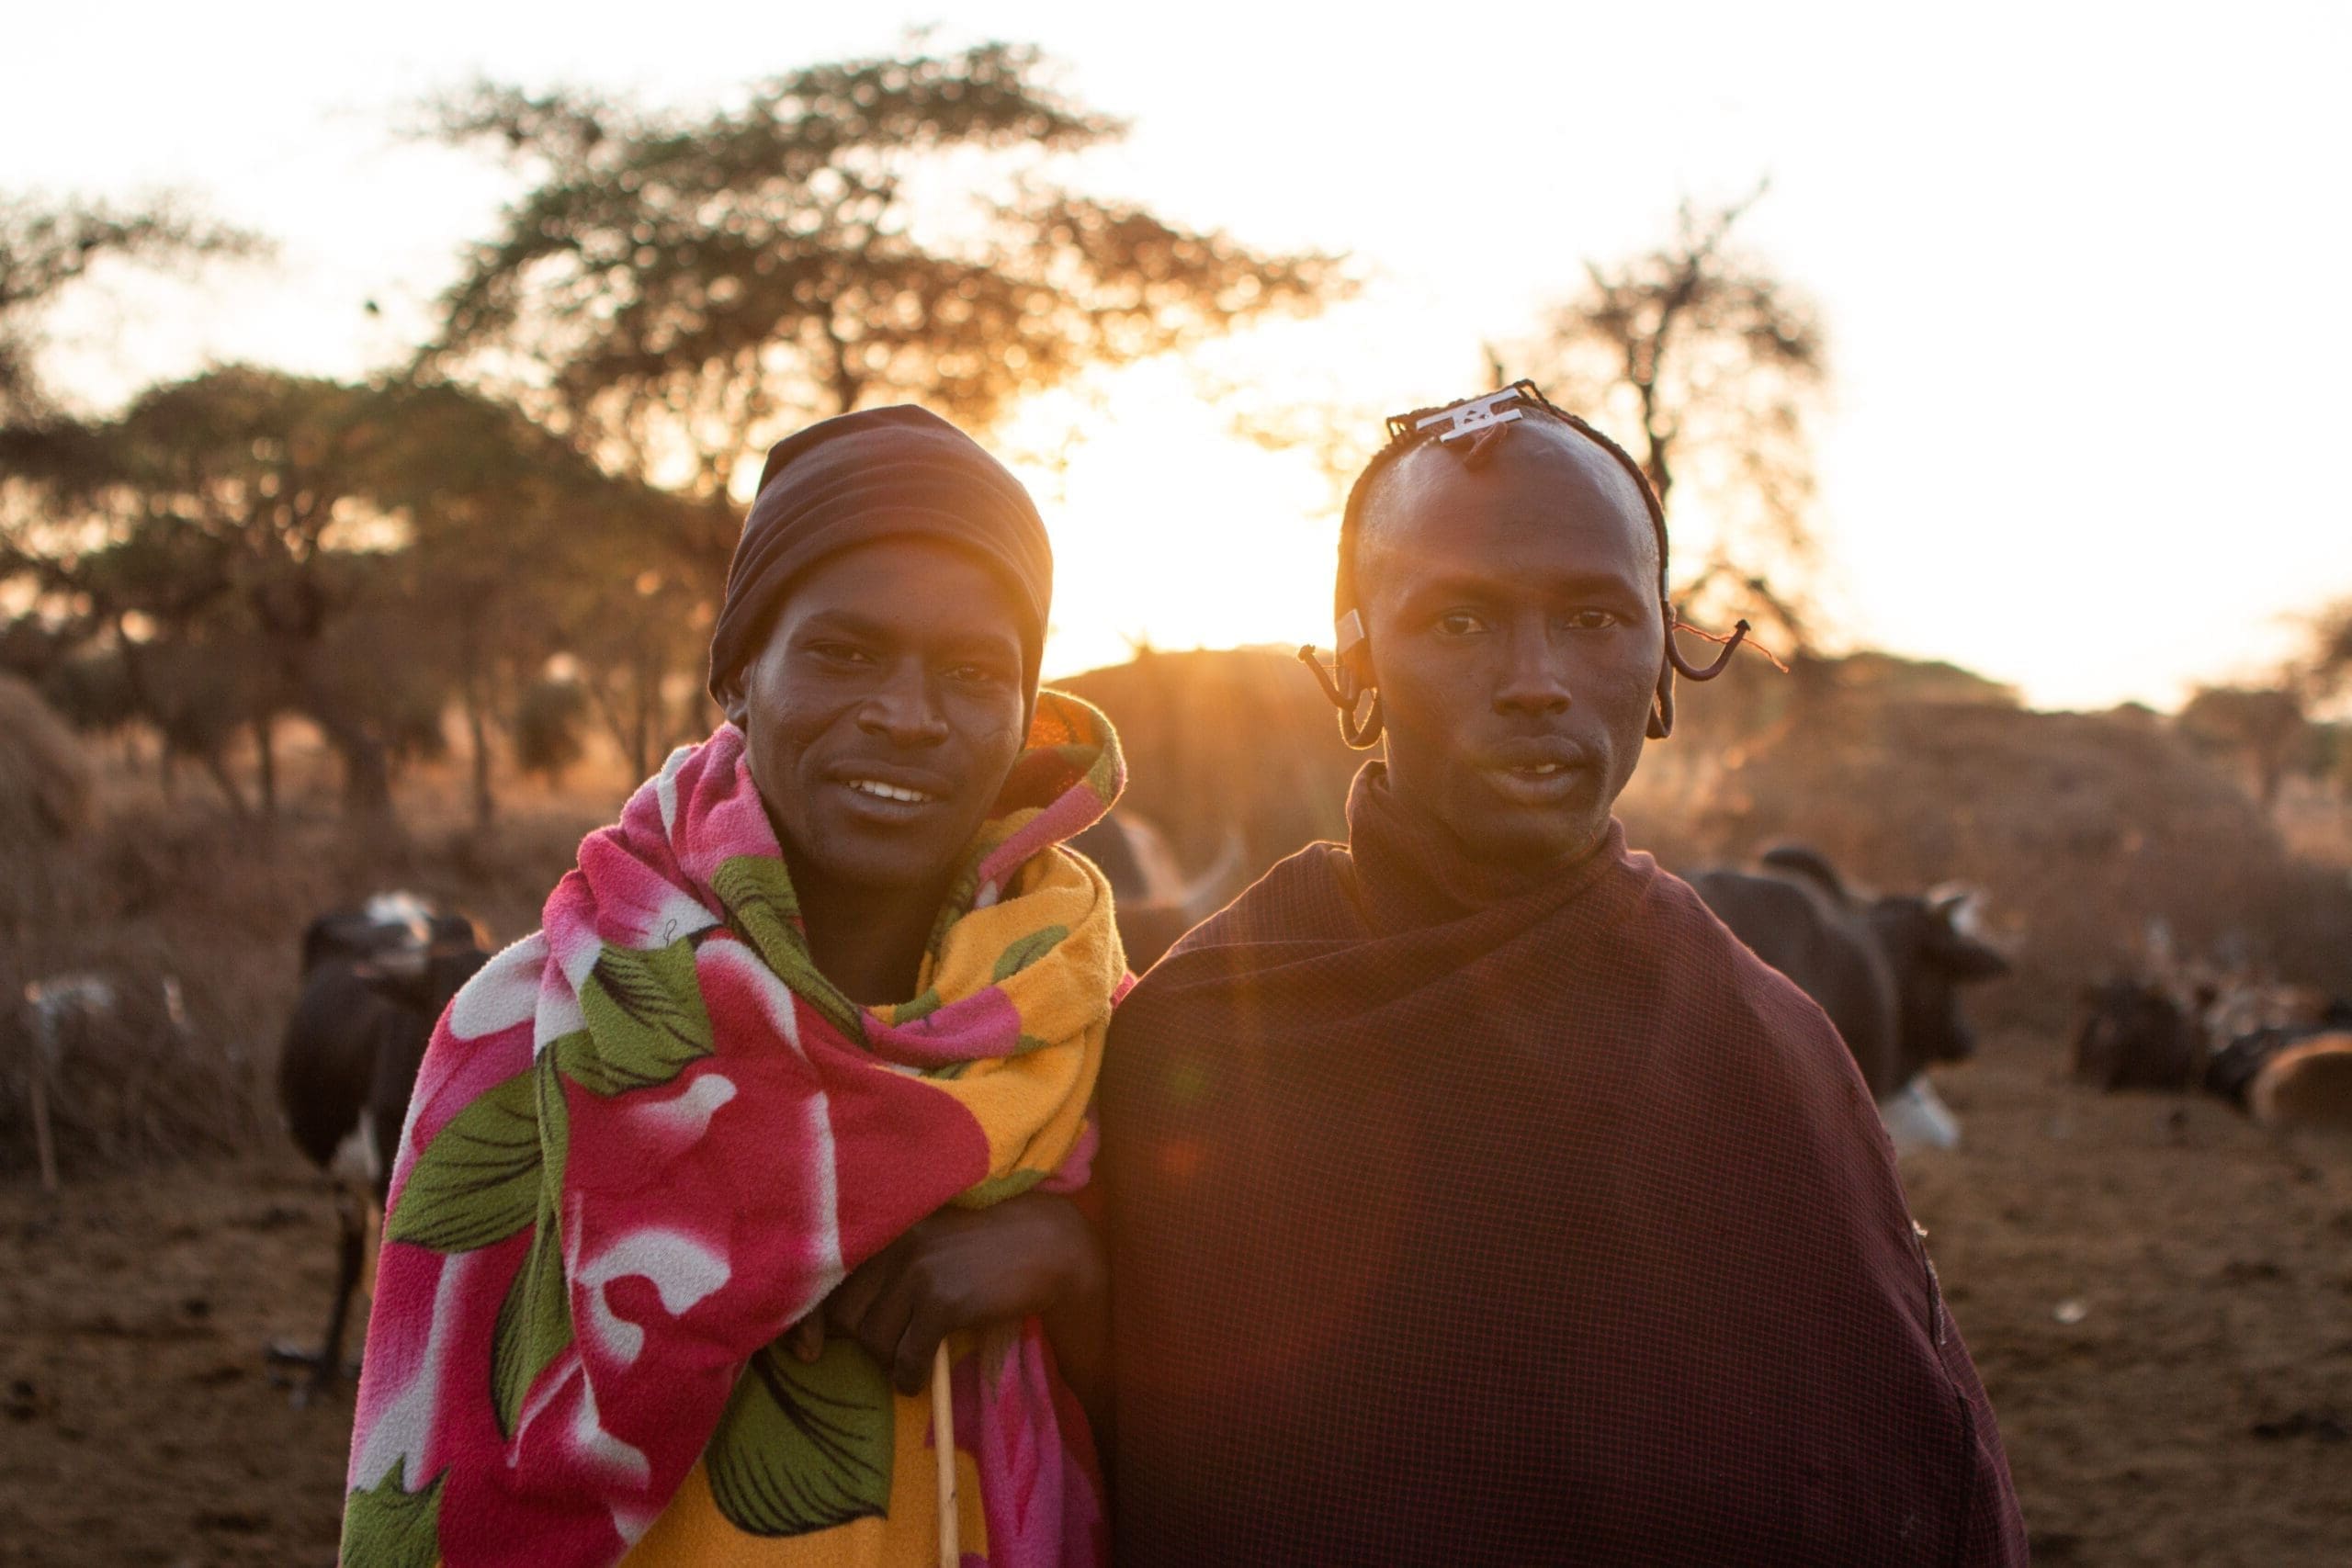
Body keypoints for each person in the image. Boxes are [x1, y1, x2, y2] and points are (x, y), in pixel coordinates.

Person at [1097, 383, 2029, 1564]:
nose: (1535, 678)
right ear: (1355, 659)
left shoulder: (1765, 1045)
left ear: (1660, 660)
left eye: (1592, 619)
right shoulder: (1207, 1029)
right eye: (1461, 621)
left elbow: (1883, 1470)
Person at [341, 406, 1115, 1568]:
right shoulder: (531, 1025)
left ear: (1022, 714)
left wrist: (1079, 1257)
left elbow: (1236, 1400)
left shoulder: (1086, 1018)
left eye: (969, 672)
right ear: (740, 675)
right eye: (844, 653)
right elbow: (439, 1474)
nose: (905, 715)